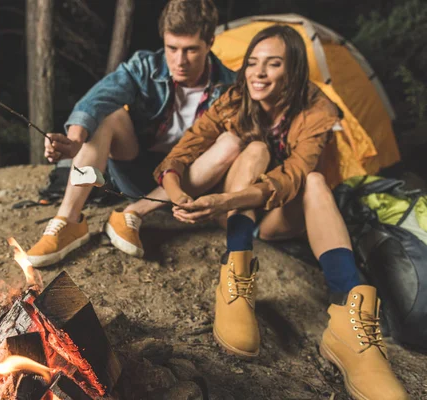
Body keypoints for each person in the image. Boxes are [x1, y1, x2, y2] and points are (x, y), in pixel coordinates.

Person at [154, 25, 408, 400]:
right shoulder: (235, 97)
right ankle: (236, 270)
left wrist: (222, 201)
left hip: (277, 218)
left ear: (293, 71)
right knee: (253, 149)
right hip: (238, 212)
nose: (258, 73)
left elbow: (292, 177)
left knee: (316, 180)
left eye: (273, 64)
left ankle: (348, 322)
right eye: (253, 63)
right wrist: (176, 191)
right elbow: (185, 149)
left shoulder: (318, 107)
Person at [26, 0, 238, 267]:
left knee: (232, 141)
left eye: (191, 50)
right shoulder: (146, 66)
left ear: (210, 43)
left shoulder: (230, 86)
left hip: (184, 184)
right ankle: (68, 222)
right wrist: (74, 139)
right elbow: (98, 98)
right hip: (135, 172)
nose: (180, 60)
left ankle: (132, 214)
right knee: (110, 115)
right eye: (172, 48)